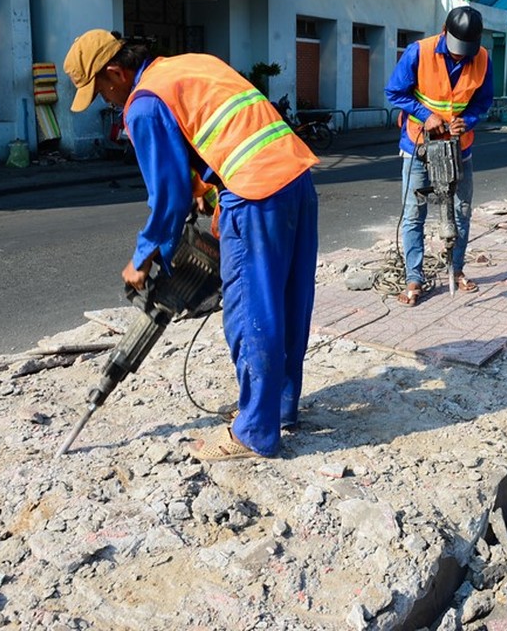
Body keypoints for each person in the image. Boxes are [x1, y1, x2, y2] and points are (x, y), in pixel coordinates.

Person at [64, 30, 320, 460]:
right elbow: (219, 132)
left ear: (115, 72)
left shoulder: (143, 104)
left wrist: (144, 257)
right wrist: (207, 184)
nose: (105, 100)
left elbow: (167, 197)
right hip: (295, 178)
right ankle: (280, 408)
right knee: (290, 302)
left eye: (102, 90)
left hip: (255, 195)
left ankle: (255, 432)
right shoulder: (188, 64)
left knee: (251, 312)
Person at [385, 6, 495, 307]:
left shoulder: (483, 58)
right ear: (444, 32)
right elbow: (394, 92)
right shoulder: (417, 52)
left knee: (461, 211)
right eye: (456, 50)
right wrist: (425, 114)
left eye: (466, 52)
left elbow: (484, 103)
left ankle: (457, 269)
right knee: (413, 215)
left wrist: (467, 121)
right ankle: (414, 278)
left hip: (460, 147)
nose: (460, 57)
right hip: (419, 144)